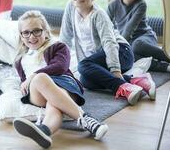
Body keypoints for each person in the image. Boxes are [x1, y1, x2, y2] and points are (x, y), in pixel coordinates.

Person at [12, 11, 108, 149]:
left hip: (63, 84)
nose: (31, 36)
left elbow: (60, 67)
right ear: (21, 36)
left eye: (36, 31)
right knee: (40, 80)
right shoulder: (20, 60)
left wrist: (34, 75)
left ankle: (44, 130)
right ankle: (87, 120)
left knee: (53, 103)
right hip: (37, 93)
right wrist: (25, 83)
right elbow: (24, 81)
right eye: (26, 33)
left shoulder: (58, 47)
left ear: (45, 31)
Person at [59, 0, 156, 106]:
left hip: (121, 52)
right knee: (86, 81)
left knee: (83, 66)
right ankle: (137, 80)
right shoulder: (70, 7)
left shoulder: (98, 15)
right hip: (101, 58)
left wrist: (115, 70)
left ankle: (123, 87)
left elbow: (109, 43)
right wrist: (60, 64)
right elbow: (65, 37)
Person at [107, 0, 170, 73]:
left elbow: (130, 28)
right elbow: (106, 27)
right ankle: (165, 67)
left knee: (137, 46)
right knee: (128, 56)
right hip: (127, 41)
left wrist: (121, 45)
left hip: (144, 38)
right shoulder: (112, 5)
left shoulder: (141, 5)